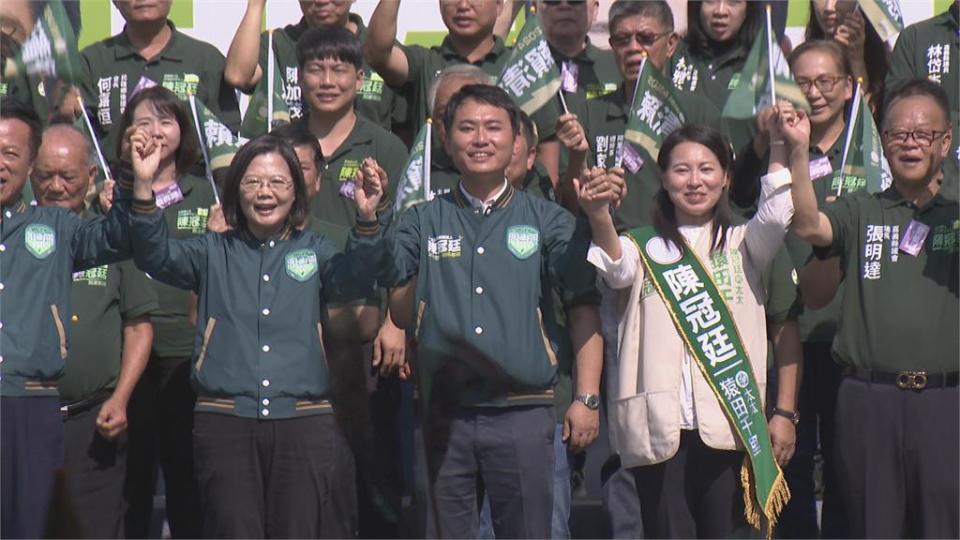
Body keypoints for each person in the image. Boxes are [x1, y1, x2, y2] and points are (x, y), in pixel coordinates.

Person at [127, 131, 386, 538]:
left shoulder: (315, 250)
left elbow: (354, 279)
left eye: (278, 182)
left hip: (303, 423)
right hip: (225, 422)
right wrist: (142, 187)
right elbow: (154, 255)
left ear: (297, 192)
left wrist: (367, 218)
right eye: (253, 182)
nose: (265, 193)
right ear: (235, 190)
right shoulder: (212, 251)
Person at [382, 84, 600, 539]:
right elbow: (399, 309)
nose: (480, 138)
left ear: (516, 141)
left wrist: (586, 398)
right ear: (446, 138)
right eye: (467, 127)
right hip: (444, 415)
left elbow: (583, 309)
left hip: (522, 413)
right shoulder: (422, 219)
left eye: (493, 127)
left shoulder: (547, 219)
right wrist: (372, 219)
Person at [581, 120, 801, 537]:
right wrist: (597, 214)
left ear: (726, 178)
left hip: (729, 429)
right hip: (661, 432)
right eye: (682, 170)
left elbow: (775, 215)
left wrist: (777, 144)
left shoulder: (744, 241)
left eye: (707, 169)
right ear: (663, 179)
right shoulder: (641, 246)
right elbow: (614, 266)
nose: (695, 181)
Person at [791, 78, 958, 538]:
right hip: (869, 400)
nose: (909, 143)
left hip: (946, 402)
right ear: (882, 141)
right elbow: (808, 224)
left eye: (923, 134)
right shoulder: (861, 209)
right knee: (871, 528)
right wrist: (798, 154)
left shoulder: (955, 214)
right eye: (898, 133)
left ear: (945, 142)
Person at [0, 97, 135, 540]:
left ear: (29, 161)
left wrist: (137, 193)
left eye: (11, 153)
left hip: (31, 407)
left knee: (33, 526)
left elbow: (120, 239)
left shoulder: (58, 228)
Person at [30, 124, 158, 539]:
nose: (55, 186)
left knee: (95, 529)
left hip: (92, 421)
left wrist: (121, 399)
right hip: (21, 416)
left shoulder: (112, 239)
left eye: (67, 176)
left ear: (89, 177)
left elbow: (138, 326)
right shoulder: (11, 238)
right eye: (45, 175)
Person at [102, 86, 215, 539]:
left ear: (183, 132)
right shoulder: (111, 194)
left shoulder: (208, 193)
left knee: (187, 477)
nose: (154, 131)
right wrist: (107, 209)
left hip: (184, 355)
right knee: (132, 478)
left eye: (166, 121)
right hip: (128, 352)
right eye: (143, 121)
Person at [365, 0, 562, 183]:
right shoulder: (425, 62)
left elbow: (546, 145)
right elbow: (378, 53)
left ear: (499, 5)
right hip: (438, 205)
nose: (463, 5)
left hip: (509, 205)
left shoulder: (522, 65)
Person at [566, 0, 721, 229]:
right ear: (612, 46)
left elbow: (723, 194)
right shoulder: (589, 113)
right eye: (622, 40)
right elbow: (570, 201)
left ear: (670, 44)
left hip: (682, 249)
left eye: (646, 38)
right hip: (612, 250)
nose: (633, 48)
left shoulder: (698, 112)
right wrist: (583, 168)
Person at [78, 0, 240, 163]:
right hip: (118, 183)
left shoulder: (206, 60)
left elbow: (226, 146)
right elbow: (81, 142)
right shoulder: (91, 62)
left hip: (190, 185)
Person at [224, 0, 404, 130]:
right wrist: (256, 5)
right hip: (292, 172)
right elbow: (237, 75)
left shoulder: (380, 52)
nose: (321, 1)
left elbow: (403, 130)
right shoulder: (278, 45)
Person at [295, 26, 407, 229]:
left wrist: (380, 203)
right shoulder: (280, 145)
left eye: (339, 71)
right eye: (316, 70)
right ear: (300, 78)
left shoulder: (387, 148)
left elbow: (403, 231)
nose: (327, 82)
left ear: (359, 80)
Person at [669, 0, 763, 154]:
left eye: (733, 2)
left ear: (749, 8)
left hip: (744, 173)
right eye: (711, 1)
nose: (720, 11)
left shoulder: (765, 62)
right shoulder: (674, 54)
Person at [806, 0, 890, 112]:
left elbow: (868, 120)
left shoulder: (887, 64)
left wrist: (857, 62)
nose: (829, 7)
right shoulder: (801, 59)